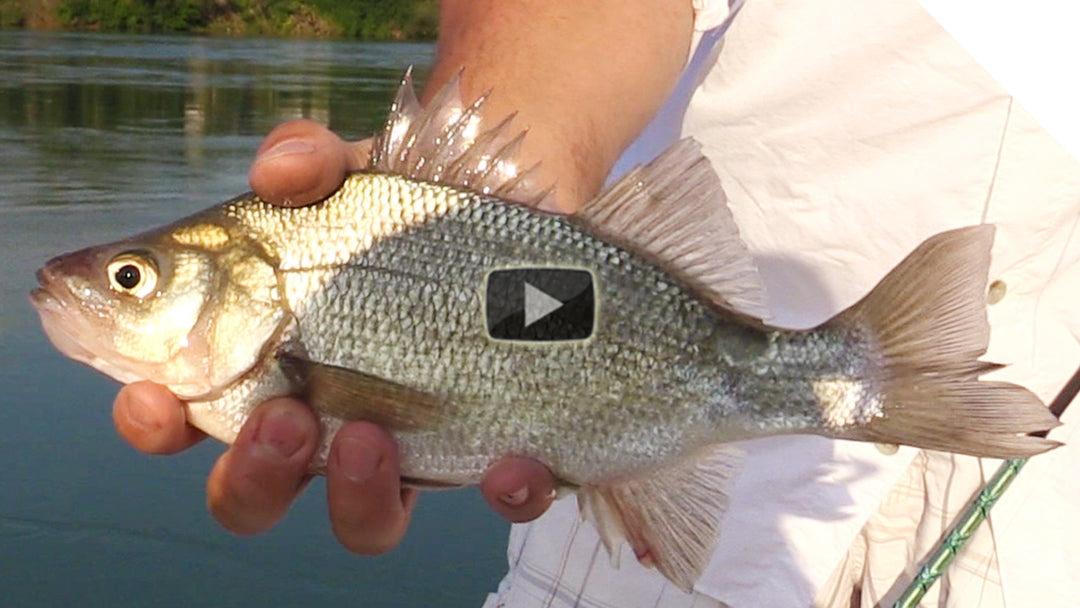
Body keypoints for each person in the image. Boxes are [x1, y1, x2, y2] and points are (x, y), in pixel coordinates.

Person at [111, 0, 1080, 606]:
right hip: (654, 554)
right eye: (134, 276)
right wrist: (519, 153)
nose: (109, 286)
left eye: (131, 278)